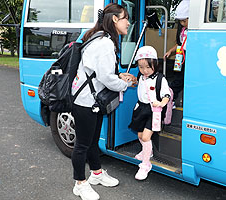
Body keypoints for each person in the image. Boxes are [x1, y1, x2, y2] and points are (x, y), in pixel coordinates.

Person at [70, 3, 136, 200]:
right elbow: (106, 78)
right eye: (126, 18)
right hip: (85, 102)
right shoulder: (105, 43)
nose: (128, 23)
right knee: (82, 144)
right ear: (115, 19)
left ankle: (96, 174)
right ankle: (80, 183)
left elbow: (101, 72)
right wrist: (125, 84)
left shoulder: (101, 38)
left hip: (91, 100)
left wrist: (119, 76)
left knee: (91, 141)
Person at [129, 46, 171, 180]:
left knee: (146, 137)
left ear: (155, 64)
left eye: (148, 67)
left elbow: (166, 94)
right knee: (140, 135)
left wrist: (161, 103)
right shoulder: (141, 77)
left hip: (154, 110)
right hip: (141, 108)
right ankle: (148, 151)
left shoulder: (160, 79)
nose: (144, 70)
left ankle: (145, 164)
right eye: (141, 67)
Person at [163, 0, 190, 108]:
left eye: (184, 21)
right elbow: (180, 44)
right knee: (178, 78)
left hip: (190, 57)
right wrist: (170, 51)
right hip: (181, 56)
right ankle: (172, 99)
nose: (182, 24)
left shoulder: (195, 32)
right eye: (181, 22)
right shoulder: (183, 30)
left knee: (186, 78)